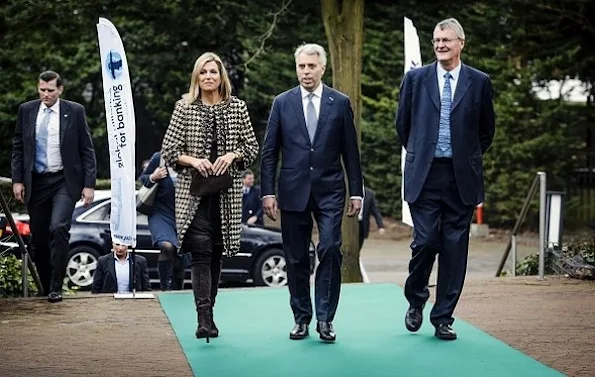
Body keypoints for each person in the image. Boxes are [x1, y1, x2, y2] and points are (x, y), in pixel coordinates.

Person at [395, 18, 495, 340]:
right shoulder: (415, 79)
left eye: (447, 40)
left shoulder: (479, 82)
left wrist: (465, 158)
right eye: (437, 40)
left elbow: (486, 130)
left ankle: (443, 318)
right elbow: (403, 125)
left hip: (460, 178)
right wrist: (422, 154)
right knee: (425, 242)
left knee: (454, 249)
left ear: (461, 43)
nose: (440, 45)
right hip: (424, 175)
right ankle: (416, 299)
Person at [260, 43, 363, 342]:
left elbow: (350, 153)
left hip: (331, 190)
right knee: (295, 258)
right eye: (301, 66)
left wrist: (356, 191)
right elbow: (270, 153)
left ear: (322, 68)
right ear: (297, 68)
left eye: (311, 66)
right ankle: (301, 318)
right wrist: (267, 192)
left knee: (330, 248)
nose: (306, 71)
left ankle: (326, 319)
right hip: (292, 191)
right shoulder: (282, 102)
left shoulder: (340, 102)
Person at [161, 52, 259, 342]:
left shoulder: (237, 108)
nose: (208, 77)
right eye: (203, 72)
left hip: (226, 196)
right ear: (196, 77)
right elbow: (169, 150)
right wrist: (193, 161)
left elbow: (252, 147)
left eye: (213, 72)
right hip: (194, 195)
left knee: (215, 254)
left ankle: (209, 312)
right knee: (201, 252)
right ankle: (203, 317)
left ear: (221, 76)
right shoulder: (184, 108)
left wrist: (233, 155)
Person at [11, 71, 96, 303]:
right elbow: (18, 147)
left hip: (64, 180)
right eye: (42, 90)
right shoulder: (27, 111)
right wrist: (17, 179)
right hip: (36, 182)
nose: (45, 94)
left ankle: (56, 286)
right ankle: (46, 284)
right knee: (38, 237)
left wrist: (89, 185)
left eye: (50, 90)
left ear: (60, 89)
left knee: (58, 227)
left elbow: (87, 150)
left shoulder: (75, 111)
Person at [138, 151, 187, 291]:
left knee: (181, 252)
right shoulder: (159, 158)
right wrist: (154, 177)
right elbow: (143, 178)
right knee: (167, 246)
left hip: (182, 214)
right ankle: (165, 288)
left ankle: (178, 290)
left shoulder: (193, 159)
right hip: (160, 212)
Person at [359, 186, 385, 251]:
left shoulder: (369, 194)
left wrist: (380, 226)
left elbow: (375, 211)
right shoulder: (347, 191)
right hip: (350, 223)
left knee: (359, 243)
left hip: (362, 224)